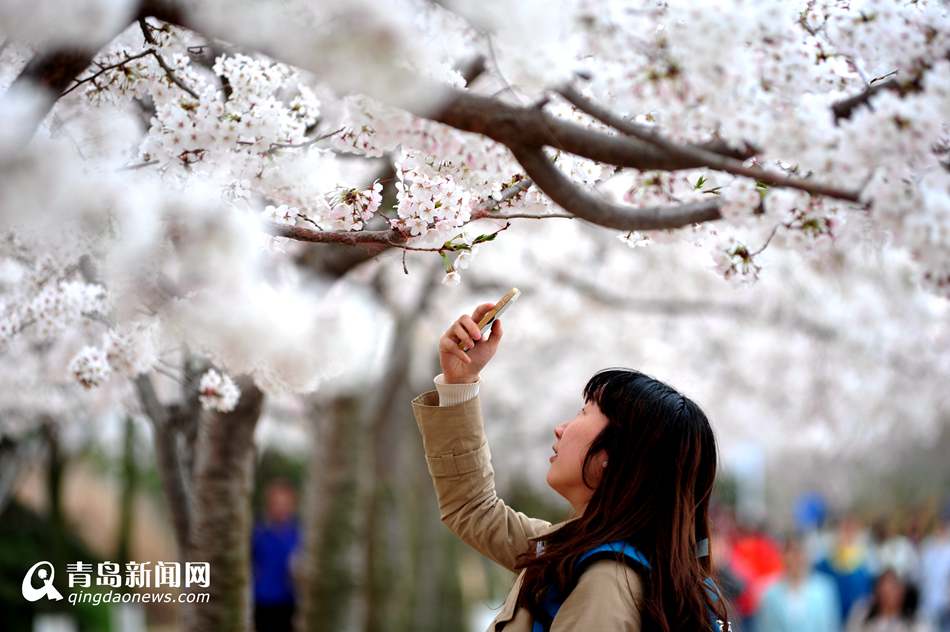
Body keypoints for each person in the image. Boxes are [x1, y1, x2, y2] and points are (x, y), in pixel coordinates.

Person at [410, 303, 729, 631]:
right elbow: (473, 508)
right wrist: (460, 381)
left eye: (583, 412)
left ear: (616, 455)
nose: (560, 428)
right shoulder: (574, 547)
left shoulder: (606, 580)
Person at [757, 535, 841, 632]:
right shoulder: (769, 593)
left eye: (801, 552)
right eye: (792, 552)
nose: (797, 558)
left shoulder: (825, 589)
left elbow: (831, 626)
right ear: (783, 556)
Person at [251, 478, 301, 632]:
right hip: (262, 603)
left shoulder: (299, 535)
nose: (280, 508)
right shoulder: (258, 534)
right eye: (276, 503)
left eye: (285, 503)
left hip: (289, 604)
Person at [816, 515, 875, 623]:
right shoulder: (823, 564)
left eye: (851, 529)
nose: (847, 533)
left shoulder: (867, 563)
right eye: (843, 529)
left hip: (859, 620)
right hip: (832, 618)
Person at [845, 568, 932, 632]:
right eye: (884, 589)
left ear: (903, 591)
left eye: (893, 588)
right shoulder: (861, 614)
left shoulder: (917, 622)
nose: (888, 595)